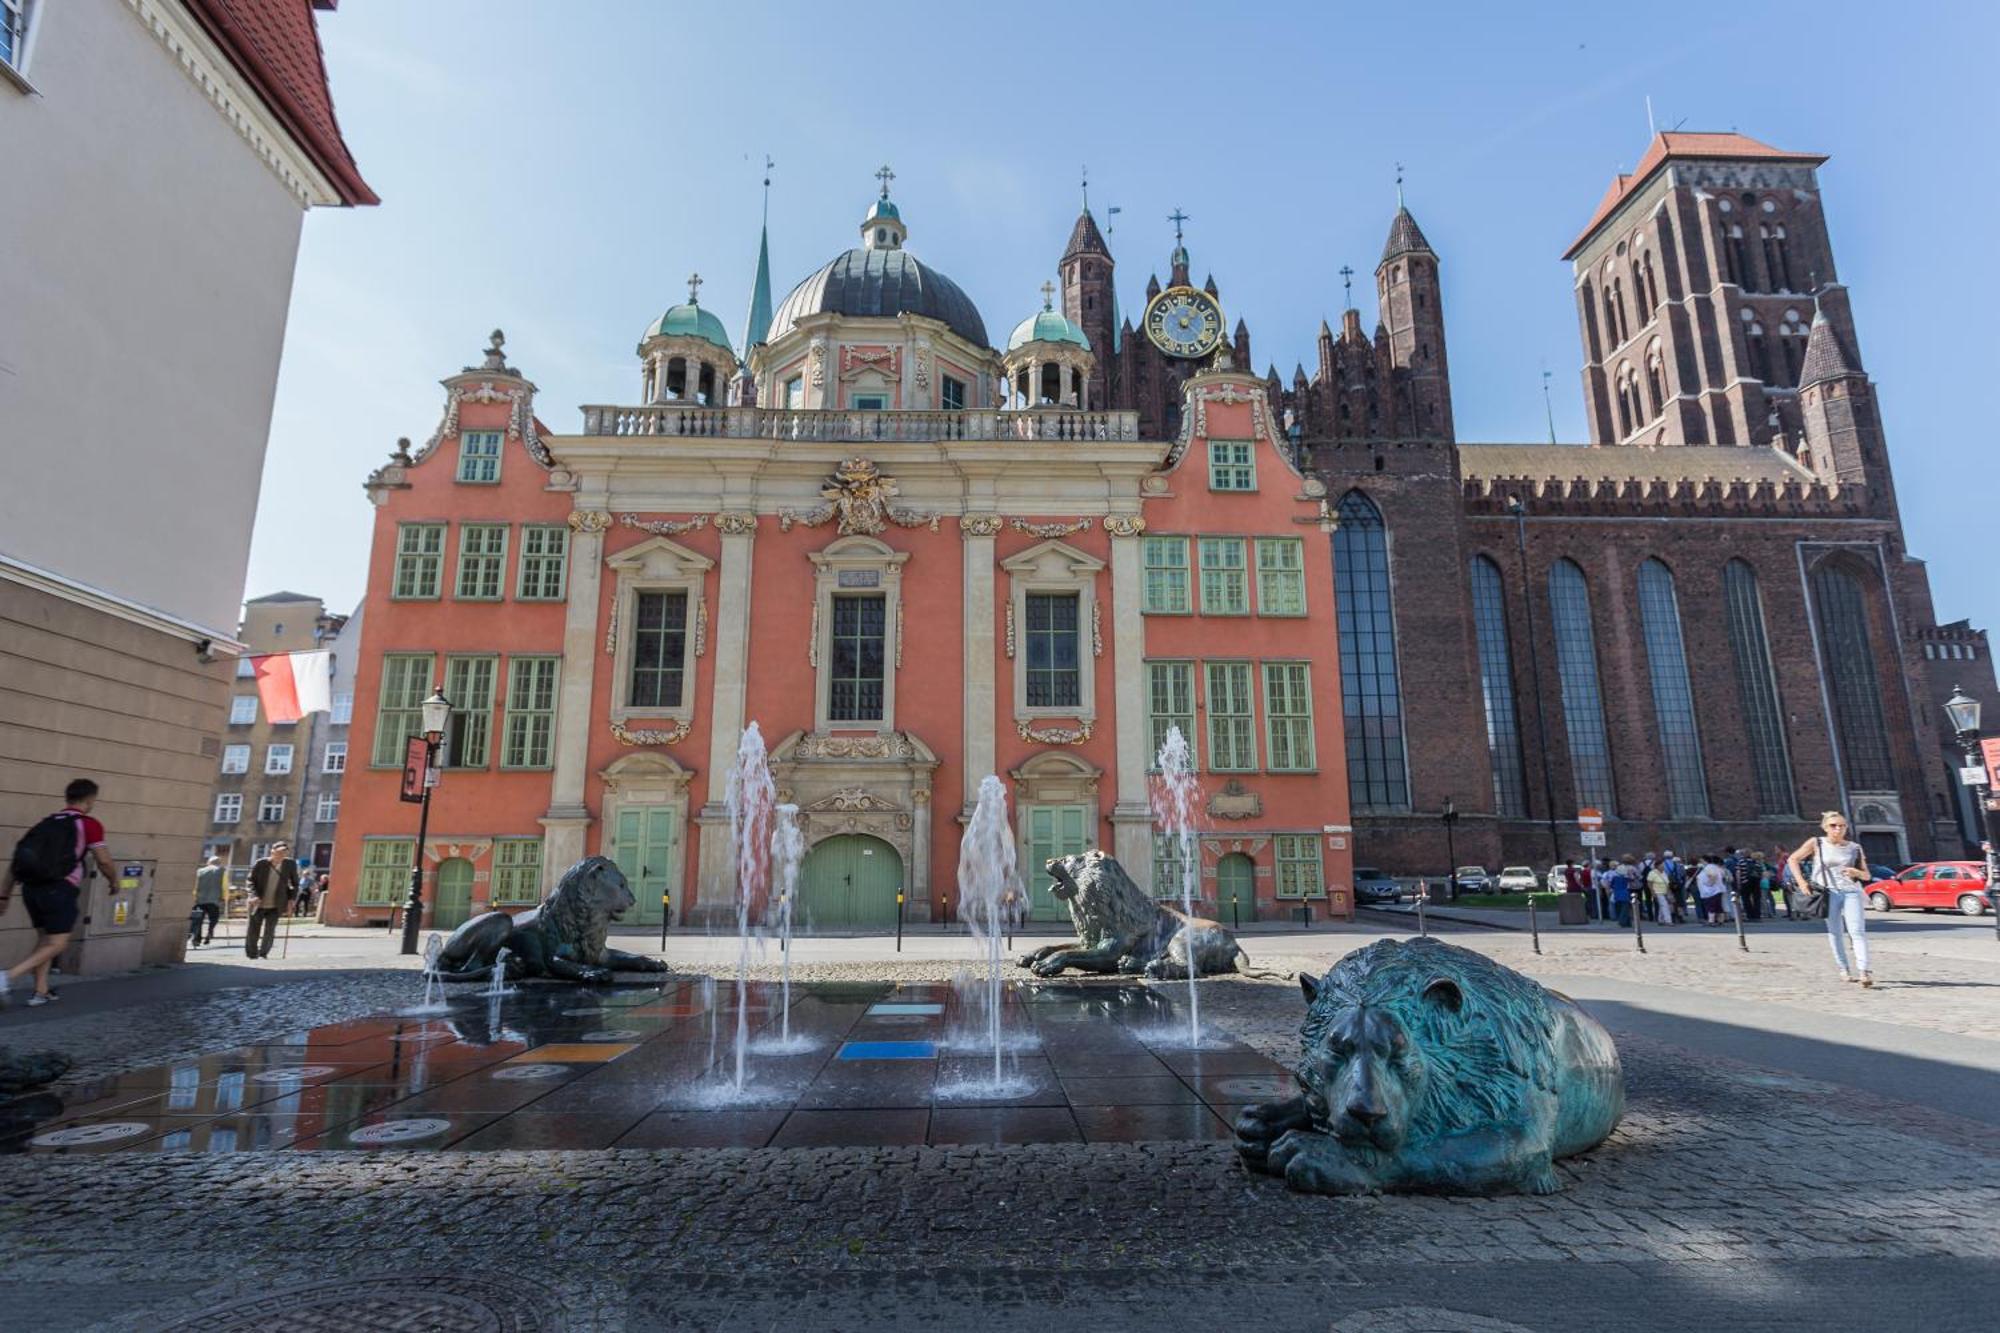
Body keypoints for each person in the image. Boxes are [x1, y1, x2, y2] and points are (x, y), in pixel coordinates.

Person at [1, 778, 119, 1006]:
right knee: (58, 943)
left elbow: (17, 861)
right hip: (59, 889)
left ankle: (40, 991)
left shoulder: (44, 824)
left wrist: (4, 894)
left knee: (46, 939)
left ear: (67, 798)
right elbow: (103, 860)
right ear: (90, 799)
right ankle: (6, 977)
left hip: (32, 890)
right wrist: (114, 881)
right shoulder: (88, 824)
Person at [1788, 811, 1873, 986]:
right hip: (1828, 893)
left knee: (1857, 931)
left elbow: (1866, 876)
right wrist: (1802, 882)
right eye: (1833, 825)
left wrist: (1856, 872)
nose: (1838, 829)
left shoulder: (1854, 847)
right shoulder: (1817, 843)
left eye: (1842, 825)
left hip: (1850, 891)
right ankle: (1844, 969)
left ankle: (1864, 971)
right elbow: (1793, 859)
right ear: (1825, 827)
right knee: (1835, 932)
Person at [245, 843, 298, 960]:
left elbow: (295, 884)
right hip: (258, 903)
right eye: (279, 852)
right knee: (253, 930)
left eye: (284, 852)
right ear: (272, 851)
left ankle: (263, 953)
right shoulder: (261, 863)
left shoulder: (290, 864)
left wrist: (291, 899)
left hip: (276, 904)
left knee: (270, 930)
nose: (281, 855)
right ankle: (252, 953)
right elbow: (250, 881)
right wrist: (253, 895)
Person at [189, 855, 225, 947]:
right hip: (214, 900)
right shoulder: (221, 871)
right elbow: (224, 885)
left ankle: (197, 938)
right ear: (219, 863)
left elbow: (195, 885)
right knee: (214, 918)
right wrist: (224, 897)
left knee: (198, 920)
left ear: (208, 862)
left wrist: (194, 897)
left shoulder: (200, 871)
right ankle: (210, 931)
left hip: (200, 900)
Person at [1695, 855, 1729, 925]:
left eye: (1701, 860)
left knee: (1711, 906)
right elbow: (1723, 875)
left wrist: (1710, 884)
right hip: (1718, 890)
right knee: (1718, 906)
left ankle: (1711, 921)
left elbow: (1713, 875)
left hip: (1711, 891)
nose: (1701, 862)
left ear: (1705, 860)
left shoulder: (1708, 868)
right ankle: (1720, 920)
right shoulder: (1716, 867)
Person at [1646, 858, 1674, 926]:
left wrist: (1669, 892)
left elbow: (1667, 883)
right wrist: (1652, 892)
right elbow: (1649, 883)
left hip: (1665, 891)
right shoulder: (1652, 873)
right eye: (1662, 865)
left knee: (1662, 906)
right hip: (1658, 892)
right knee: (1665, 906)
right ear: (1657, 866)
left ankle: (1660, 919)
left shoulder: (1664, 873)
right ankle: (1668, 920)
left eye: (1663, 865)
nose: (1663, 866)